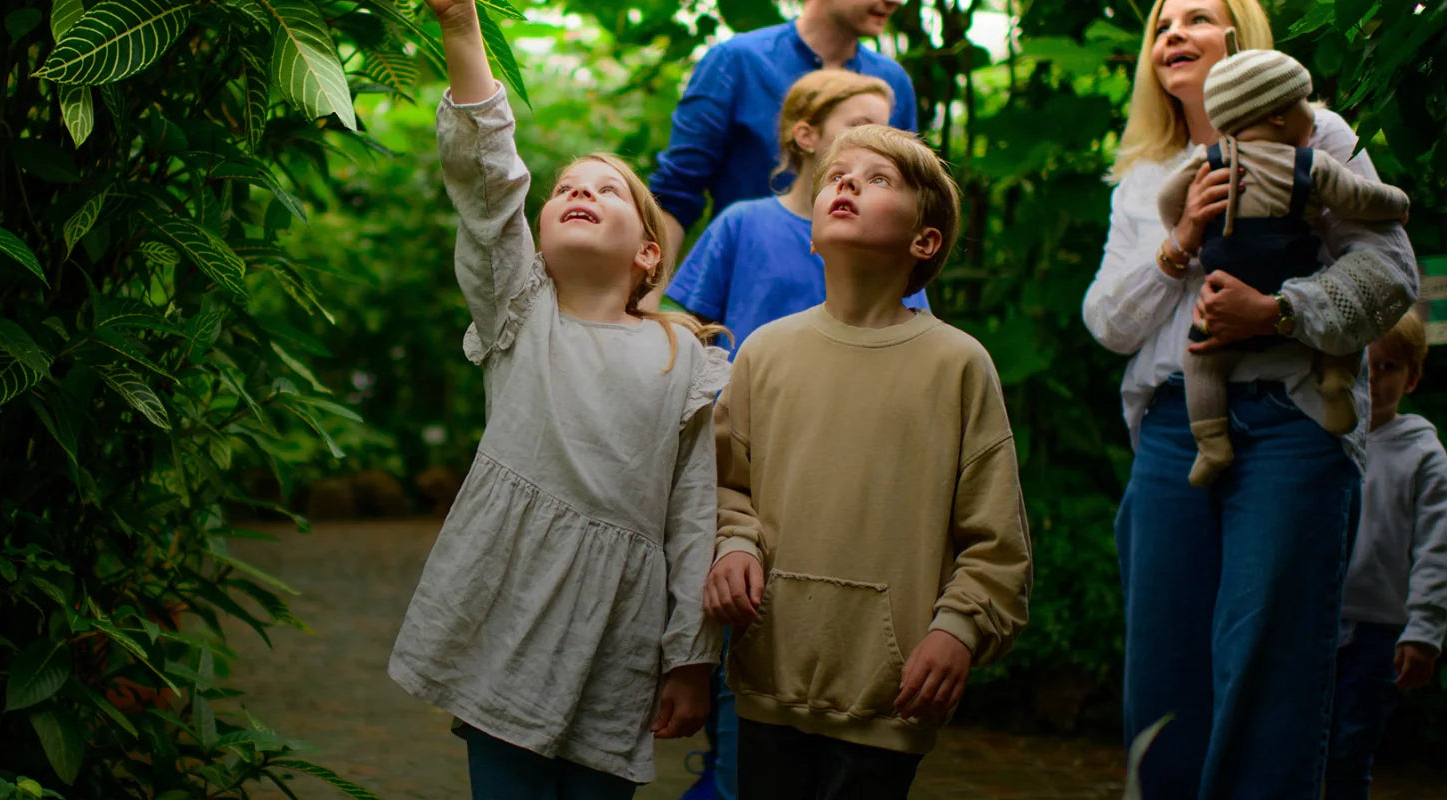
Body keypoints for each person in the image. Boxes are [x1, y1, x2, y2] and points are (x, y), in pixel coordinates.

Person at [386, 0, 730, 794]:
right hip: (508, 606)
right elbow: (487, 188)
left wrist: (690, 659)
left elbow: (694, 514)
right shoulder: (519, 311)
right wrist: (461, 31)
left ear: (649, 252)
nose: (579, 192)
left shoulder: (685, 355)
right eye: (565, 188)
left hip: (618, 632)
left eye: (606, 191)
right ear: (536, 239)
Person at [1082, 0, 1420, 794]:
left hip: (1291, 422)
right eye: (1162, 25)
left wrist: (1279, 313)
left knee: (1269, 671)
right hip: (1174, 429)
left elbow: (1390, 272)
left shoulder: (1319, 137)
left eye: (1197, 17)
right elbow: (1107, 323)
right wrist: (1178, 245)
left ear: (1242, 38)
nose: (1173, 35)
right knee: (1161, 673)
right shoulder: (1140, 178)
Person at [702, 124, 1033, 799]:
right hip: (769, 680)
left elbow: (996, 543)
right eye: (836, 178)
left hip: (891, 693)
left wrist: (960, 629)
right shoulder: (764, 353)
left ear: (925, 240)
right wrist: (732, 546)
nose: (846, 183)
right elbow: (721, 487)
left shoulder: (957, 365)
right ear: (813, 235)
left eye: (877, 179)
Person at [1155, 39, 1411, 486]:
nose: (1313, 114)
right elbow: (1360, 198)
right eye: (1304, 104)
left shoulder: (1210, 161)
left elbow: (1167, 200)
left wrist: (1182, 224)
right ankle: (1334, 381)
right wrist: (1398, 202)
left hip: (1223, 292)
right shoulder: (1310, 164)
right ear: (1277, 115)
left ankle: (1211, 442)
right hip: (1291, 275)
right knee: (1334, 343)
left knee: (1199, 361)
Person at [667, 69, 929, 355]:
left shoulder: (891, 239)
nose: (878, 145)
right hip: (749, 397)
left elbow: (913, 339)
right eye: (859, 128)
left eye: (884, 132)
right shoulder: (741, 223)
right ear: (806, 136)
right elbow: (691, 335)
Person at [647, 0, 918, 265]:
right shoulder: (736, 61)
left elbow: (907, 202)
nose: (895, 2)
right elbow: (677, 193)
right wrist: (644, 298)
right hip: (749, 282)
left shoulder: (892, 82)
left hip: (859, 288)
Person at [1325, 310, 1447, 799]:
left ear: (1413, 377)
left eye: (1388, 367)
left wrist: (1424, 629)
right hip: (1309, 622)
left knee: (1349, 752)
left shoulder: (1422, 453)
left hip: (1377, 630)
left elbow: (1434, 544)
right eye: (1364, 361)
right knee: (1295, 744)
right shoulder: (1320, 435)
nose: (1373, 378)